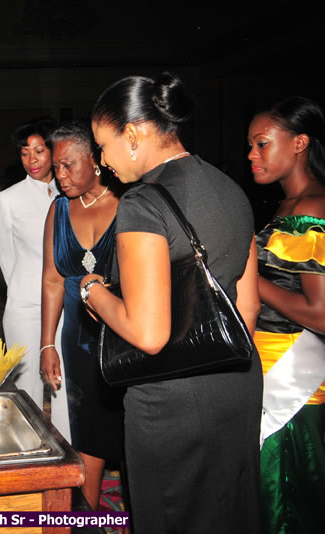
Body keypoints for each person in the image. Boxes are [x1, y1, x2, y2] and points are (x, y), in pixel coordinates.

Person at [84, 73, 262, 533]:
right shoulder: (232, 189)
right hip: (237, 384)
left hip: (171, 400)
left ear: (132, 135)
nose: (102, 161)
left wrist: (93, 292)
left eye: (103, 146)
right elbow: (247, 309)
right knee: (229, 513)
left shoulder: (142, 203)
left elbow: (149, 334)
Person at [247, 96, 325, 534]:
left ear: (299, 143)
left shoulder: (311, 208)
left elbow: (321, 314)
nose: (251, 155)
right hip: (270, 363)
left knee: (286, 502)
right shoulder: (290, 206)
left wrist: (247, 278)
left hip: (292, 375)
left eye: (261, 144)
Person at [40, 119, 125, 510]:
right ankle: (87, 521)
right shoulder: (58, 209)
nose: (59, 175)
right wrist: (47, 344)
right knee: (87, 432)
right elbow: (52, 280)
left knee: (127, 430)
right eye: (56, 166)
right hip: (77, 341)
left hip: (124, 335)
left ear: (95, 160)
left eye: (68, 165)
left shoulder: (128, 204)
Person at [0, 118, 71, 443]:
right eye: (25, 153)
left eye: (39, 151)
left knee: (64, 387)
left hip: (67, 306)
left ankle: (68, 454)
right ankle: (31, 453)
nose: (32, 160)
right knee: (28, 389)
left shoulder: (71, 192)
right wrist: (23, 291)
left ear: (53, 151)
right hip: (25, 305)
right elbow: (5, 255)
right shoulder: (9, 199)